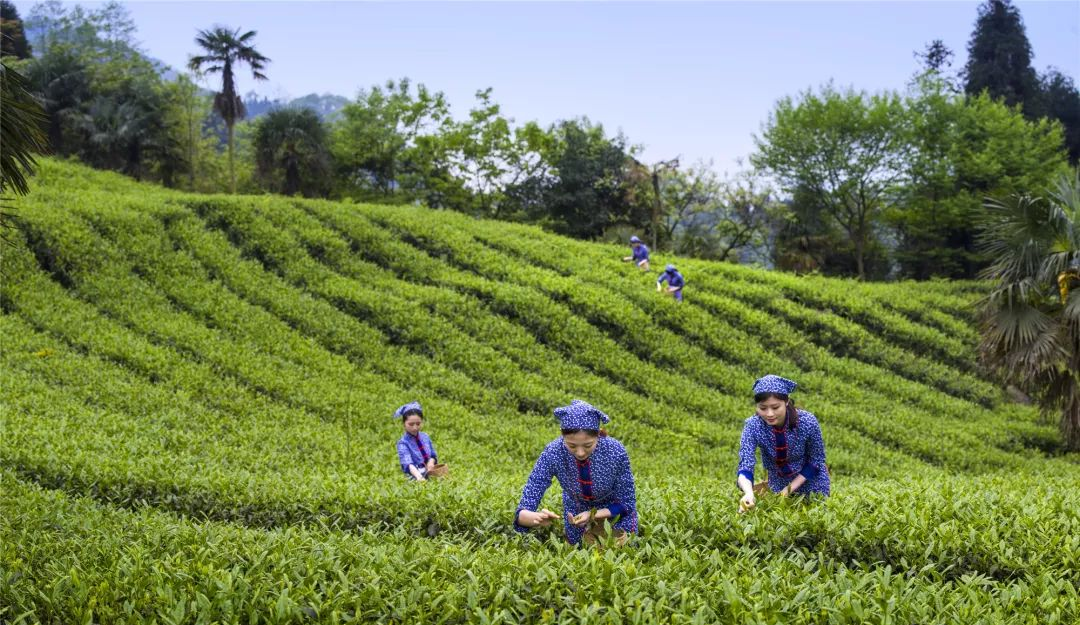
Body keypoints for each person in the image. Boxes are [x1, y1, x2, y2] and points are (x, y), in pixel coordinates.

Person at [515, 400, 638, 545]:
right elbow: (536, 483)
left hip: (615, 513)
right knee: (579, 553)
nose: (580, 453)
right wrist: (526, 515)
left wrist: (593, 515)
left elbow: (627, 503)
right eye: (571, 445)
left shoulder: (615, 451)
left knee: (618, 553)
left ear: (598, 435)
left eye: (588, 445)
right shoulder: (553, 452)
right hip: (577, 514)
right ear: (563, 437)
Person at [736, 375, 830, 513]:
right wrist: (748, 493)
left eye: (775, 407)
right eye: (762, 408)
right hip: (779, 482)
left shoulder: (807, 422)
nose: (769, 414)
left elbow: (816, 460)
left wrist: (788, 490)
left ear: (786, 401)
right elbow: (745, 465)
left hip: (811, 481)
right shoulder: (752, 425)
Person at [394, 401, 438, 481]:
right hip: (414, 478)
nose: (415, 428)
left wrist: (431, 462)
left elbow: (433, 455)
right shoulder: (403, 443)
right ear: (404, 424)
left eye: (418, 424)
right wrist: (419, 477)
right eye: (411, 424)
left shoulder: (425, 436)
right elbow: (408, 463)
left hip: (430, 474)